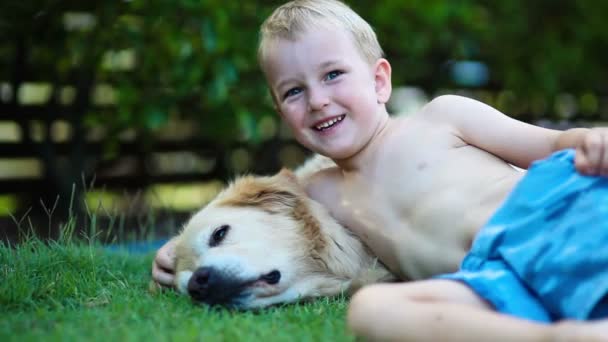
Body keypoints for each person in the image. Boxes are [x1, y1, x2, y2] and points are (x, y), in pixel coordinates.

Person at [153, 0, 608, 340]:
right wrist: (183, 251)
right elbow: (254, 209)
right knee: (370, 310)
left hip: (552, 214)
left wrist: (588, 140)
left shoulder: (442, 118)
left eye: (333, 75)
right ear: (280, 111)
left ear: (379, 80)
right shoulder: (322, 191)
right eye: (294, 92)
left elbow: (550, 145)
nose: (317, 100)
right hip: (494, 277)